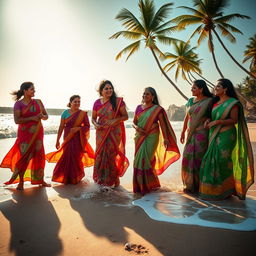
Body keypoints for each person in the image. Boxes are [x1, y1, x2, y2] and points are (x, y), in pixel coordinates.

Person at [199, 78, 254, 200]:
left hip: (227, 135)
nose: (215, 88)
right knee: (210, 159)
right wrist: (208, 120)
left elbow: (234, 120)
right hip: (214, 134)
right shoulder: (214, 102)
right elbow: (210, 117)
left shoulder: (233, 103)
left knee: (221, 161)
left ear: (225, 89)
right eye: (215, 87)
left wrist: (218, 122)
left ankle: (225, 190)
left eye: (218, 87)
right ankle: (213, 190)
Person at [0, 82, 50, 190]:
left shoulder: (38, 102)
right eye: (32, 89)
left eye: (34, 89)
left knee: (39, 155)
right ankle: (21, 181)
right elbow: (17, 120)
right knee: (24, 156)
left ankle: (40, 179)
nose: (34, 91)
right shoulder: (19, 104)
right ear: (25, 91)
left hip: (38, 133)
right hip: (24, 134)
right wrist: (32, 118)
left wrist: (43, 117)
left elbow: (46, 116)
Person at [133, 87, 180, 195]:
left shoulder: (157, 109)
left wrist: (166, 139)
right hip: (139, 136)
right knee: (137, 160)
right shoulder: (138, 108)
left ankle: (148, 186)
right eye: (144, 94)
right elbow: (134, 122)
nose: (145, 96)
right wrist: (138, 128)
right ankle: (141, 186)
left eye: (148, 94)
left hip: (151, 136)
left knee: (146, 160)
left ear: (153, 97)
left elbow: (163, 124)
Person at [46, 95, 94, 184]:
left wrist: (78, 129)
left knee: (76, 157)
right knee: (66, 156)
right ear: (70, 102)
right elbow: (61, 126)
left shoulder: (82, 114)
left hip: (78, 138)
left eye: (79, 102)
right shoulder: (65, 113)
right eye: (75, 101)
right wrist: (57, 140)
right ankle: (64, 177)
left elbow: (87, 126)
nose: (77, 103)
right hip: (67, 137)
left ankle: (75, 178)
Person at [91, 80, 129, 187]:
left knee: (111, 155)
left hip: (114, 132)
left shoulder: (117, 102)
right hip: (101, 132)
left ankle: (112, 181)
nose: (109, 90)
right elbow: (93, 118)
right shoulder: (97, 103)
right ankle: (100, 180)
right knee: (99, 155)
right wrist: (95, 124)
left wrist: (114, 121)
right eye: (106, 88)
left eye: (110, 88)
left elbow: (125, 116)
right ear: (101, 91)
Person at [180, 80, 213, 193]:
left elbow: (213, 115)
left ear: (201, 89)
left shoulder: (209, 101)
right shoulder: (190, 101)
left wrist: (209, 119)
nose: (191, 90)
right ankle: (189, 185)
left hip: (201, 134)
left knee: (198, 159)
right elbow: (187, 117)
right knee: (187, 158)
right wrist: (183, 131)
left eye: (194, 88)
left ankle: (199, 186)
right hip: (190, 133)